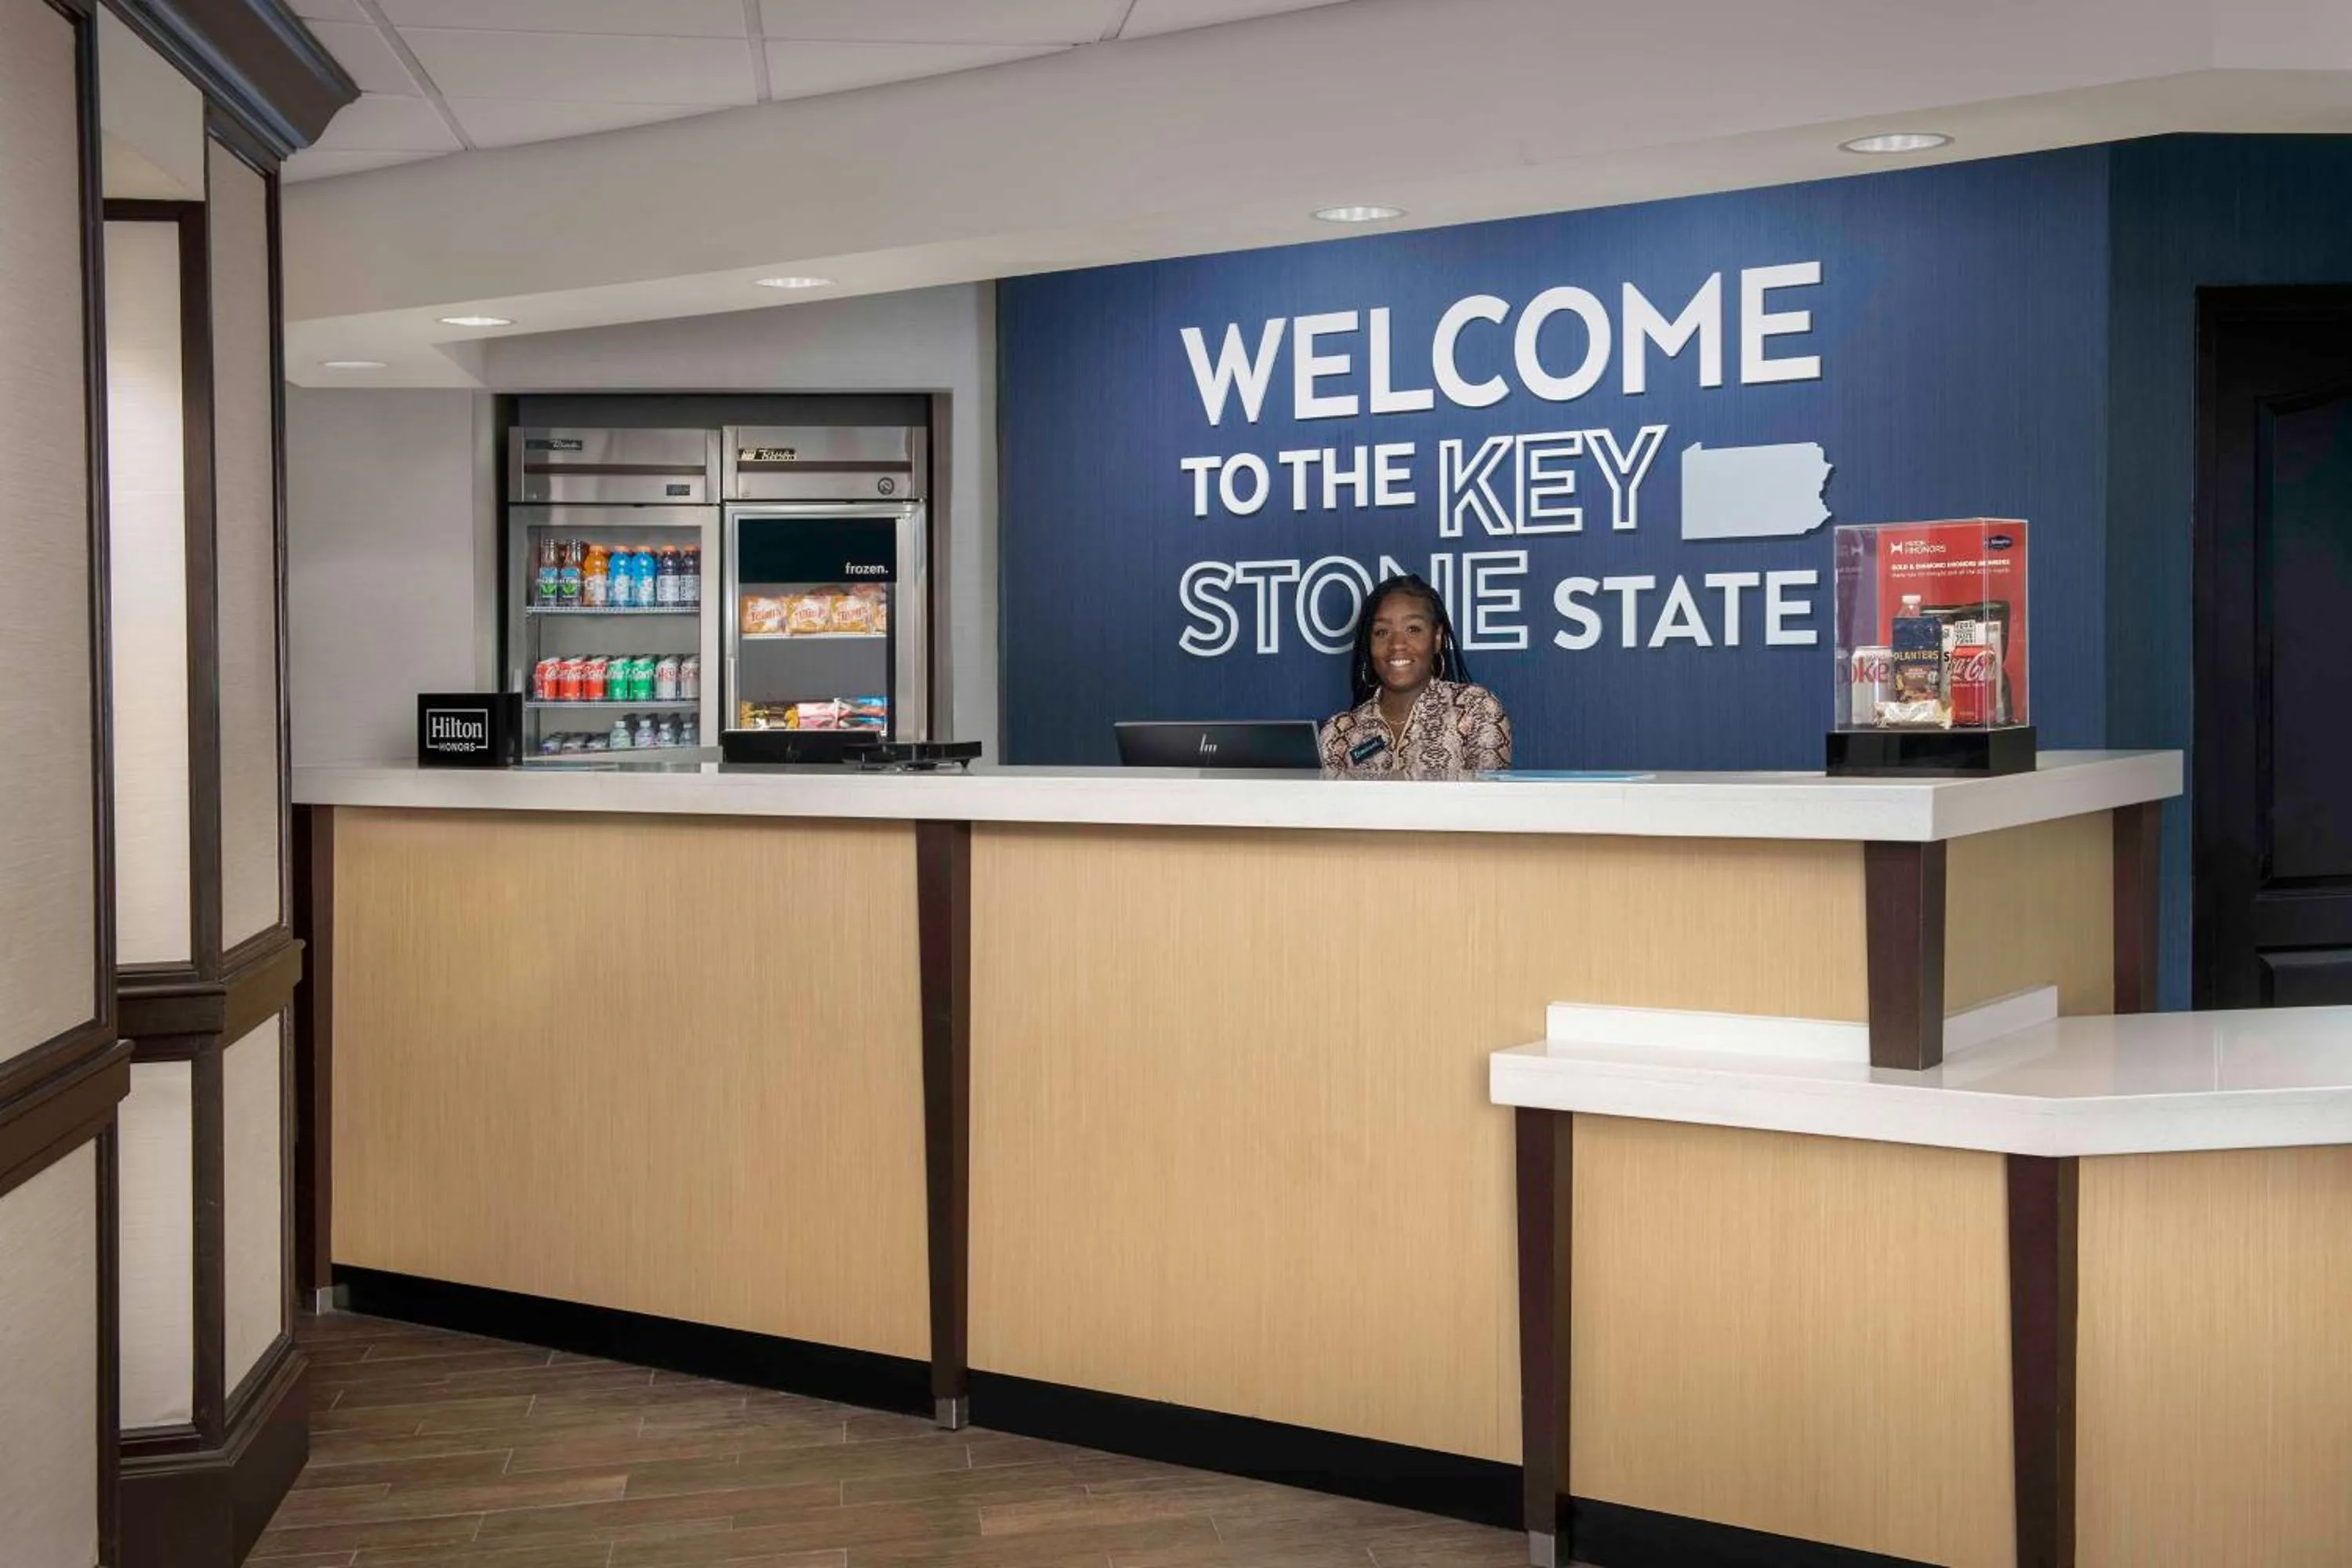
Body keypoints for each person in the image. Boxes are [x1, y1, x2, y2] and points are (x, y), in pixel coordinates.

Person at [1319, 574, 1512, 777]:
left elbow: (1489, 804)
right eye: (1382, 632)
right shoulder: (1338, 733)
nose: (1396, 645)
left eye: (1413, 629)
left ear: (1437, 638)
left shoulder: (1475, 710)